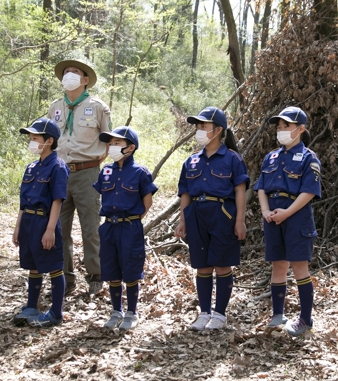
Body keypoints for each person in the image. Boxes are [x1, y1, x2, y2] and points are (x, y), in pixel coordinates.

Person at [174, 107, 249, 331]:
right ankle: (204, 312)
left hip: (223, 214)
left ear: (218, 130)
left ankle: (220, 314)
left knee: (222, 264)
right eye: (197, 126)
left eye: (203, 126)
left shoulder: (233, 159)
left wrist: (240, 220)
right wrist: (182, 220)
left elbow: (240, 191)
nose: (199, 131)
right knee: (202, 265)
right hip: (196, 215)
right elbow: (185, 192)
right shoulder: (191, 161)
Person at [253, 107, 321, 337]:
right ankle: (278, 314)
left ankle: (305, 318)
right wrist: (265, 210)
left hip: (297, 216)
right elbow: (261, 186)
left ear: (300, 129)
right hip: (272, 216)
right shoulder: (271, 157)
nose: (281, 131)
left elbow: (309, 191)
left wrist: (287, 212)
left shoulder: (309, 158)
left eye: (287, 126)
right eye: (279, 127)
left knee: (299, 266)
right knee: (278, 265)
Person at [46, 59, 111, 296]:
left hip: (88, 172)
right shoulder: (54, 107)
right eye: (66, 72)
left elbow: (108, 139)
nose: (69, 75)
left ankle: (96, 275)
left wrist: (95, 162)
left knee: (90, 227)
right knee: (59, 228)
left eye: (75, 72)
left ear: (85, 80)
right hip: (60, 173)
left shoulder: (98, 107)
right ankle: (65, 278)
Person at [93, 126, 158, 331]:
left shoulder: (140, 172)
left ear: (130, 148)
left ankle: (131, 312)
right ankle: (116, 311)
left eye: (117, 143)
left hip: (130, 227)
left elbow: (147, 202)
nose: (112, 146)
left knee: (130, 269)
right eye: (110, 143)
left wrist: (134, 219)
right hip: (109, 227)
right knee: (112, 269)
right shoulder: (106, 171)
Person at [12, 118, 69, 327]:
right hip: (28, 221)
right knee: (33, 265)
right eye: (30, 137)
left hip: (45, 221)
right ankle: (31, 306)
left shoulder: (58, 167)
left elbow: (57, 200)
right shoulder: (31, 167)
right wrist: (18, 227)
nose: (31, 141)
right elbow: (22, 201)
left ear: (49, 141)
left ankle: (55, 313)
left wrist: (50, 229)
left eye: (35, 138)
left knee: (53, 266)